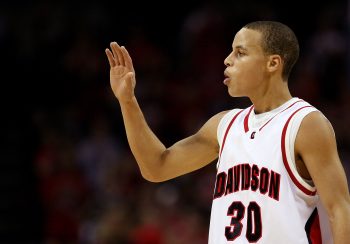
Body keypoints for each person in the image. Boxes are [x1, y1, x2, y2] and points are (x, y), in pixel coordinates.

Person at [105, 21, 350, 243]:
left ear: (273, 63)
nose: (227, 59)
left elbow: (339, 209)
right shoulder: (224, 125)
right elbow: (156, 167)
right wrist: (128, 101)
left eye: (240, 53)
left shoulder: (304, 123)